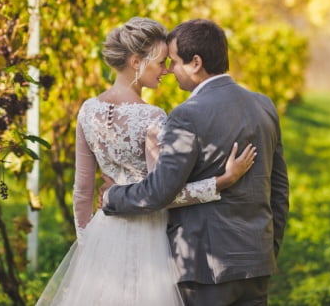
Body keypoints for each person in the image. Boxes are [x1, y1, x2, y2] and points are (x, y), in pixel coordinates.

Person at [36, 17, 256, 306]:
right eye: (162, 62)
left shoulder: (87, 111)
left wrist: (87, 244)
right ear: (137, 62)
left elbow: (82, 190)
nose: (167, 70)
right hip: (148, 237)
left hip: (103, 232)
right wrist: (221, 182)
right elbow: (163, 195)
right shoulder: (152, 118)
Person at [102, 18, 290, 305]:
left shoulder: (186, 115)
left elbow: (159, 192)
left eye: (174, 61)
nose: (169, 70)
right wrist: (267, 248)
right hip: (256, 260)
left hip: (205, 267)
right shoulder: (263, 104)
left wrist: (112, 196)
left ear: (196, 62)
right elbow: (279, 190)